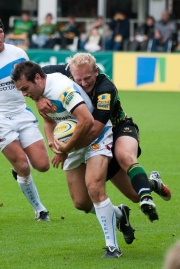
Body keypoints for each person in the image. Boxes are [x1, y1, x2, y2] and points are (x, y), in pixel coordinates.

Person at [11, 60, 135, 258]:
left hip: (96, 136)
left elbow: (86, 120)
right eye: (21, 91)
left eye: (25, 89)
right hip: (72, 144)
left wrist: (66, 149)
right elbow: (49, 120)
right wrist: (52, 141)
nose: (24, 94)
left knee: (95, 187)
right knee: (81, 203)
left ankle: (113, 248)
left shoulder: (62, 89)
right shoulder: (40, 93)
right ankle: (119, 214)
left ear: (37, 78)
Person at [35, 53, 171, 223]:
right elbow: (33, 76)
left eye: (87, 79)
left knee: (125, 156)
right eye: (79, 80)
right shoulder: (65, 71)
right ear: (71, 73)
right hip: (94, 138)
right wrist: (38, 97)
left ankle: (147, 198)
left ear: (96, 72)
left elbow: (95, 130)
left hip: (118, 128)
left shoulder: (106, 89)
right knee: (133, 196)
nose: (83, 84)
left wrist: (66, 149)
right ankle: (152, 184)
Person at [0, 19, 50, 221]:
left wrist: (39, 99)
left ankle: (18, 169)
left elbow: (34, 78)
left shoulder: (18, 54)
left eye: (0, 30)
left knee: (43, 165)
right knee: (23, 166)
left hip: (22, 112)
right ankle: (39, 209)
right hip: (0, 119)